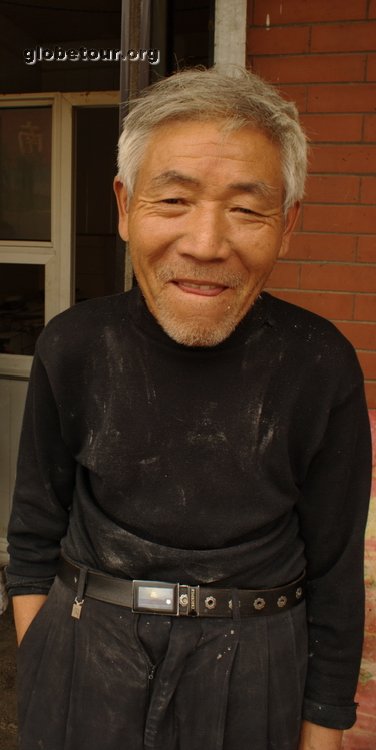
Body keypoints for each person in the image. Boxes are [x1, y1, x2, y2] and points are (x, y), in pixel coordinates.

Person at [5, 67, 371, 750]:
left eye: (246, 209)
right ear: (123, 205)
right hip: (85, 654)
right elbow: (31, 535)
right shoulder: (75, 345)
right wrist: (49, 657)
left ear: (287, 223)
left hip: (256, 670)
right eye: (172, 200)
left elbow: (336, 577)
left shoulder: (320, 366)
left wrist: (322, 735)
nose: (205, 245)